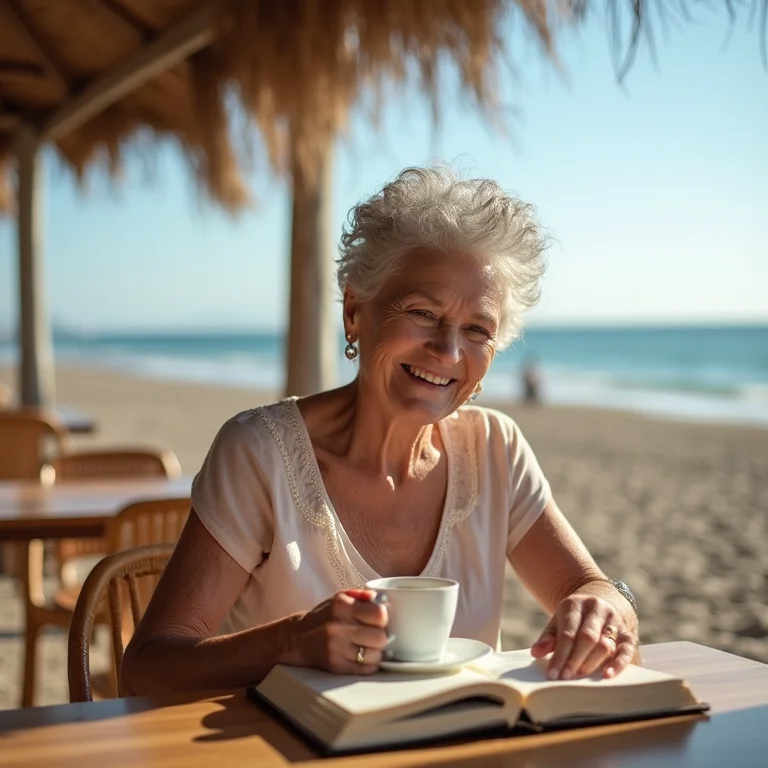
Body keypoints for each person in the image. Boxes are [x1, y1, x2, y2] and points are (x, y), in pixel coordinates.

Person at [121, 166, 639, 696]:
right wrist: (290, 643)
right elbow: (147, 668)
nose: (448, 351)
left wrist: (606, 606)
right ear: (354, 312)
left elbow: (592, 588)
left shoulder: (495, 449)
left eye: (477, 330)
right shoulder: (259, 453)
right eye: (422, 312)